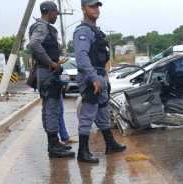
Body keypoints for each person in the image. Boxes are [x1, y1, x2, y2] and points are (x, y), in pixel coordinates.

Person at [74, 0, 126, 164]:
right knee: (88, 114)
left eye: (97, 6)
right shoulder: (82, 31)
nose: (96, 9)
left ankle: (110, 144)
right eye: (91, 6)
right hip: (91, 77)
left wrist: (103, 76)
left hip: (100, 75)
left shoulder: (95, 31)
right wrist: (94, 77)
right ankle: (82, 152)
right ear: (83, 9)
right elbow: (81, 57)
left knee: (103, 111)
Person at [28, 1, 75, 159]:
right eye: (56, 13)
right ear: (49, 12)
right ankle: (53, 146)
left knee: (52, 108)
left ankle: (54, 143)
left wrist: (55, 62)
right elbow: (34, 44)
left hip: (48, 72)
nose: (57, 16)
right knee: (52, 109)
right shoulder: (41, 26)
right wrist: (51, 63)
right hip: (47, 73)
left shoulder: (43, 27)